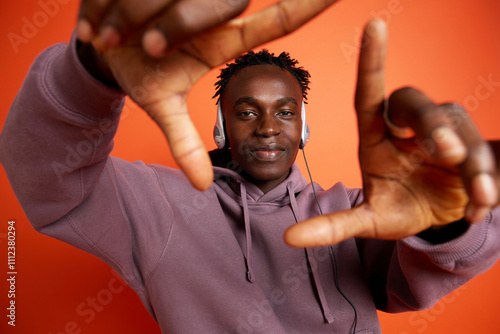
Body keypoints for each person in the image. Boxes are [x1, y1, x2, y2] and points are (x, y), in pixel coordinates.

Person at [1, 0, 500, 333]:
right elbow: (49, 175)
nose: (267, 127)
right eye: (246, 112)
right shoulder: (161, 205)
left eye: (285, 112)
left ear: (304, 130)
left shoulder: (351, 213)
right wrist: (92, 73)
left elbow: (419, 280)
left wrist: (449, 220)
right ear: (221, 130)